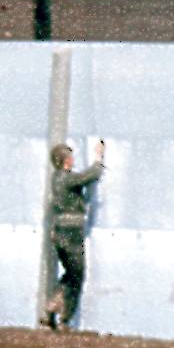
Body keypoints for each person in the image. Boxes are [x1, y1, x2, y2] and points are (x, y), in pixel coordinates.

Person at [41, 140, 106, 331]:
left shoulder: (57, 179)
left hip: (61, 232)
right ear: (66, 160)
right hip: (71, 233)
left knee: (71, 272)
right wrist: (98, 157)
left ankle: (54, 304)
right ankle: (64, 318)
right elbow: (91, 175)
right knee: (78, 275)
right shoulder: (65, 178)